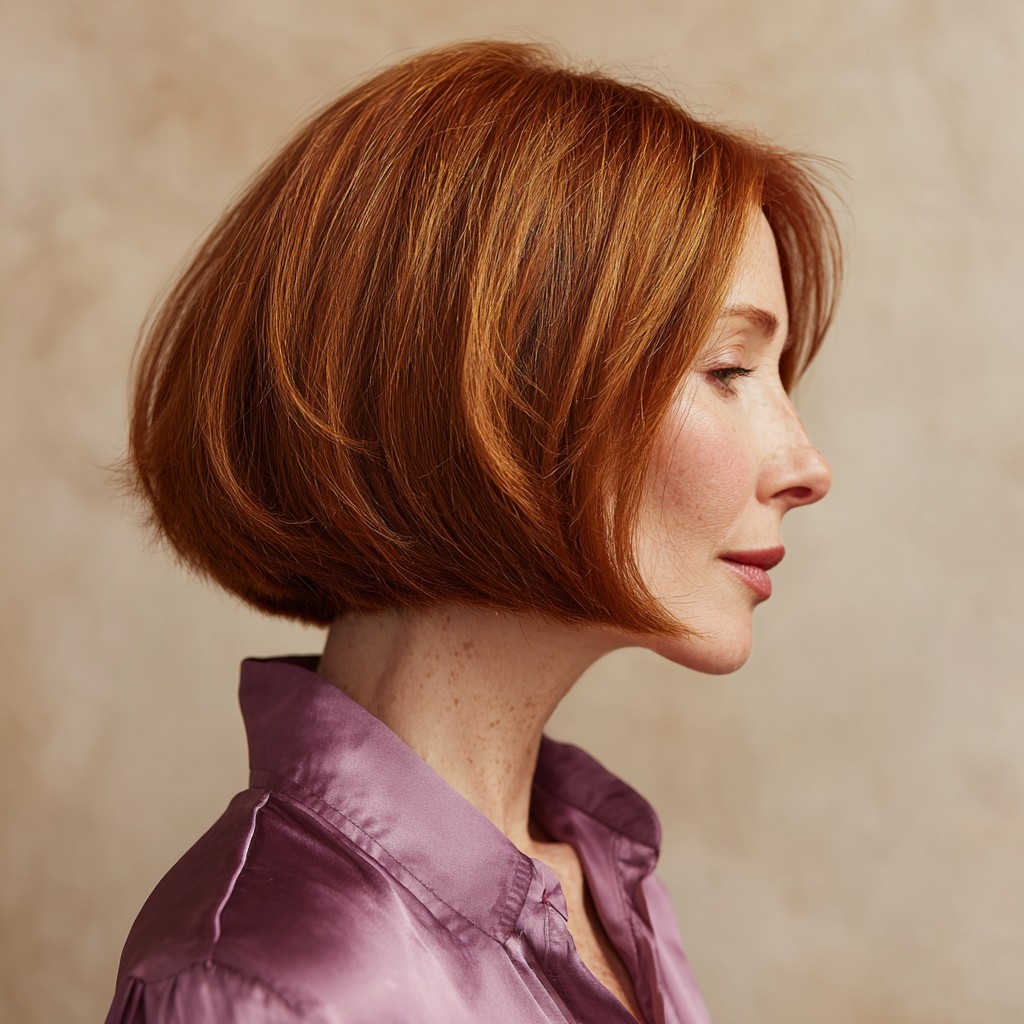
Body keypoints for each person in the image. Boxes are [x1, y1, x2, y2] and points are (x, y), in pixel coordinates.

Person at [105, 40, 840, 1024]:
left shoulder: (602, 881)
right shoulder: (271, 988)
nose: (806, 466)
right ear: (499, 384)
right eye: (728, 369)